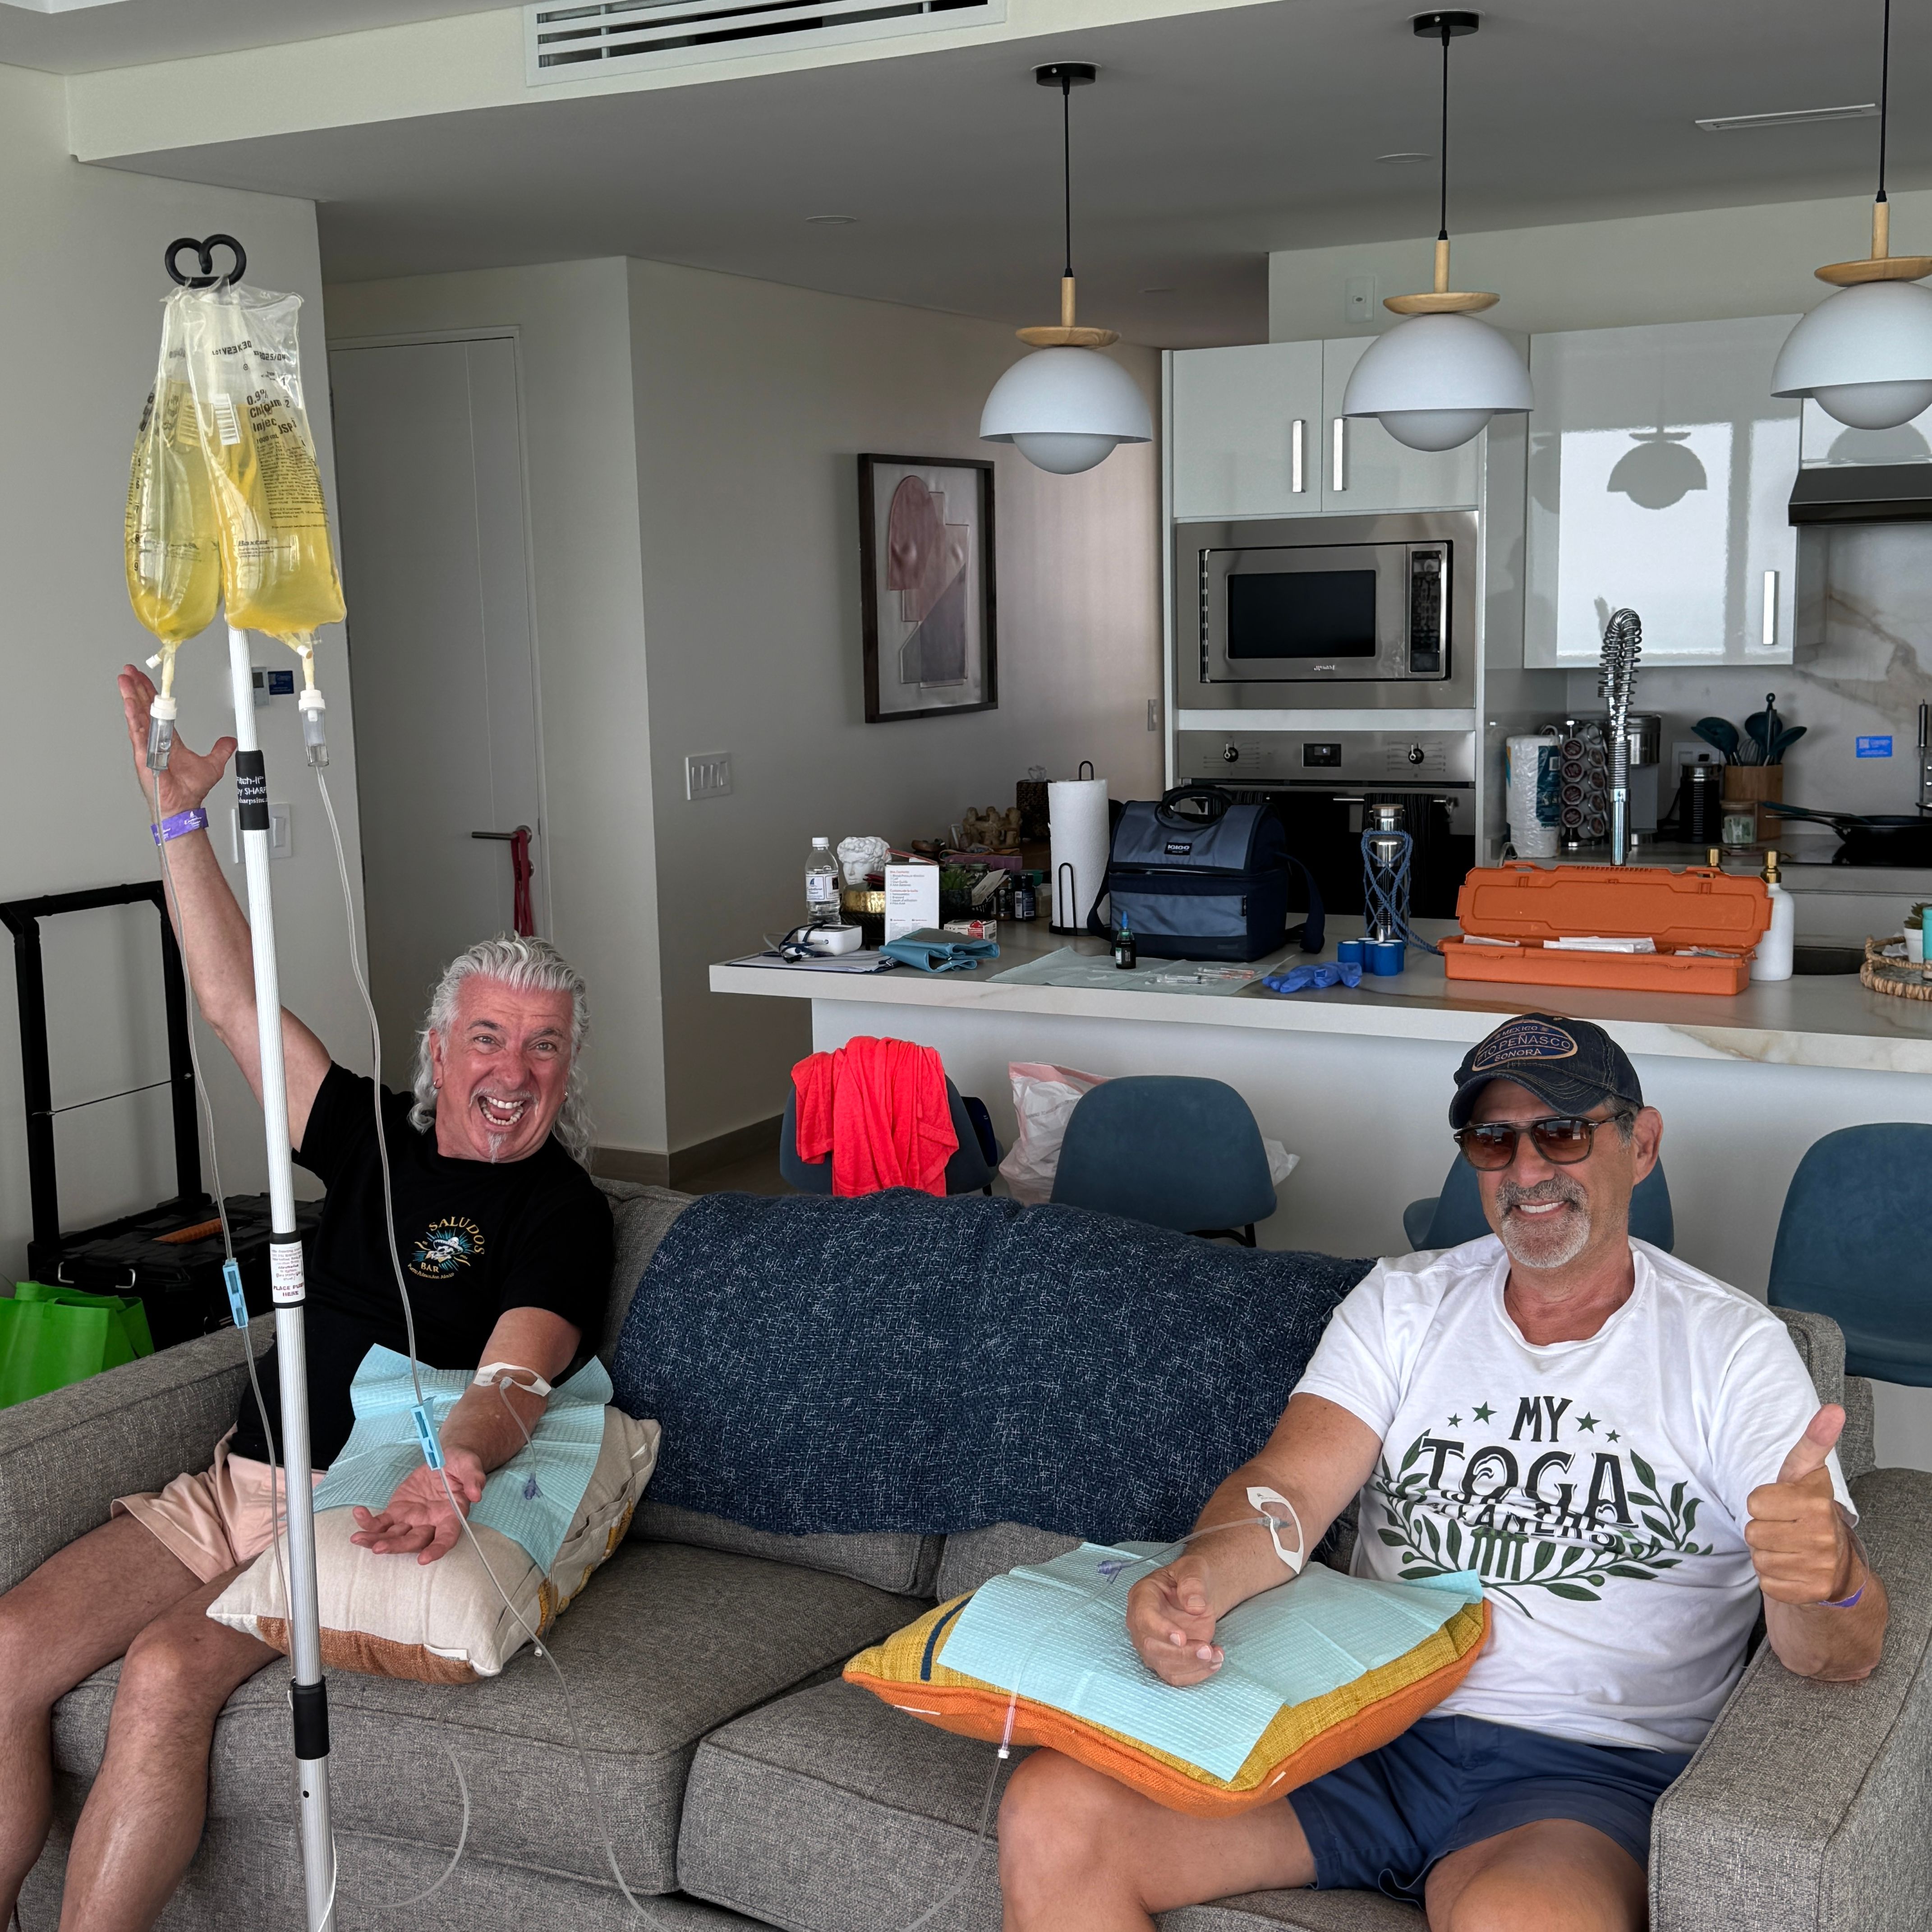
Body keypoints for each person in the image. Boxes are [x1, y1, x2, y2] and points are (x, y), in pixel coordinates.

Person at [998, 1012, 1887, 1932]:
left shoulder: (1732, 1349)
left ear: (1643, 1143)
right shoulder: (1404, 1302)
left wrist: (1830, 1585)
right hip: (1360, 1725)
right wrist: (1197, 1582)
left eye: (1564, 1133)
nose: (1528, 1170)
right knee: (1056, 1810)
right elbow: (1291, 1491)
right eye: (1494, 1140)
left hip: (1576, 1775)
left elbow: (1839, 1653)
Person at [0, 668, 613, 1932]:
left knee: (168, 1670)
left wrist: (449, 1472)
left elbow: (517, 1373)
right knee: (8, 1652)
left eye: (544, 1045)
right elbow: (230, 1001)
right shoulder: (369, 1128)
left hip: (357, 1509)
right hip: (243, 1484)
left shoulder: (560, 1206)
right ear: (438, 1047)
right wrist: (179, 822)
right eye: (490, 1038)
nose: (515, 1071)